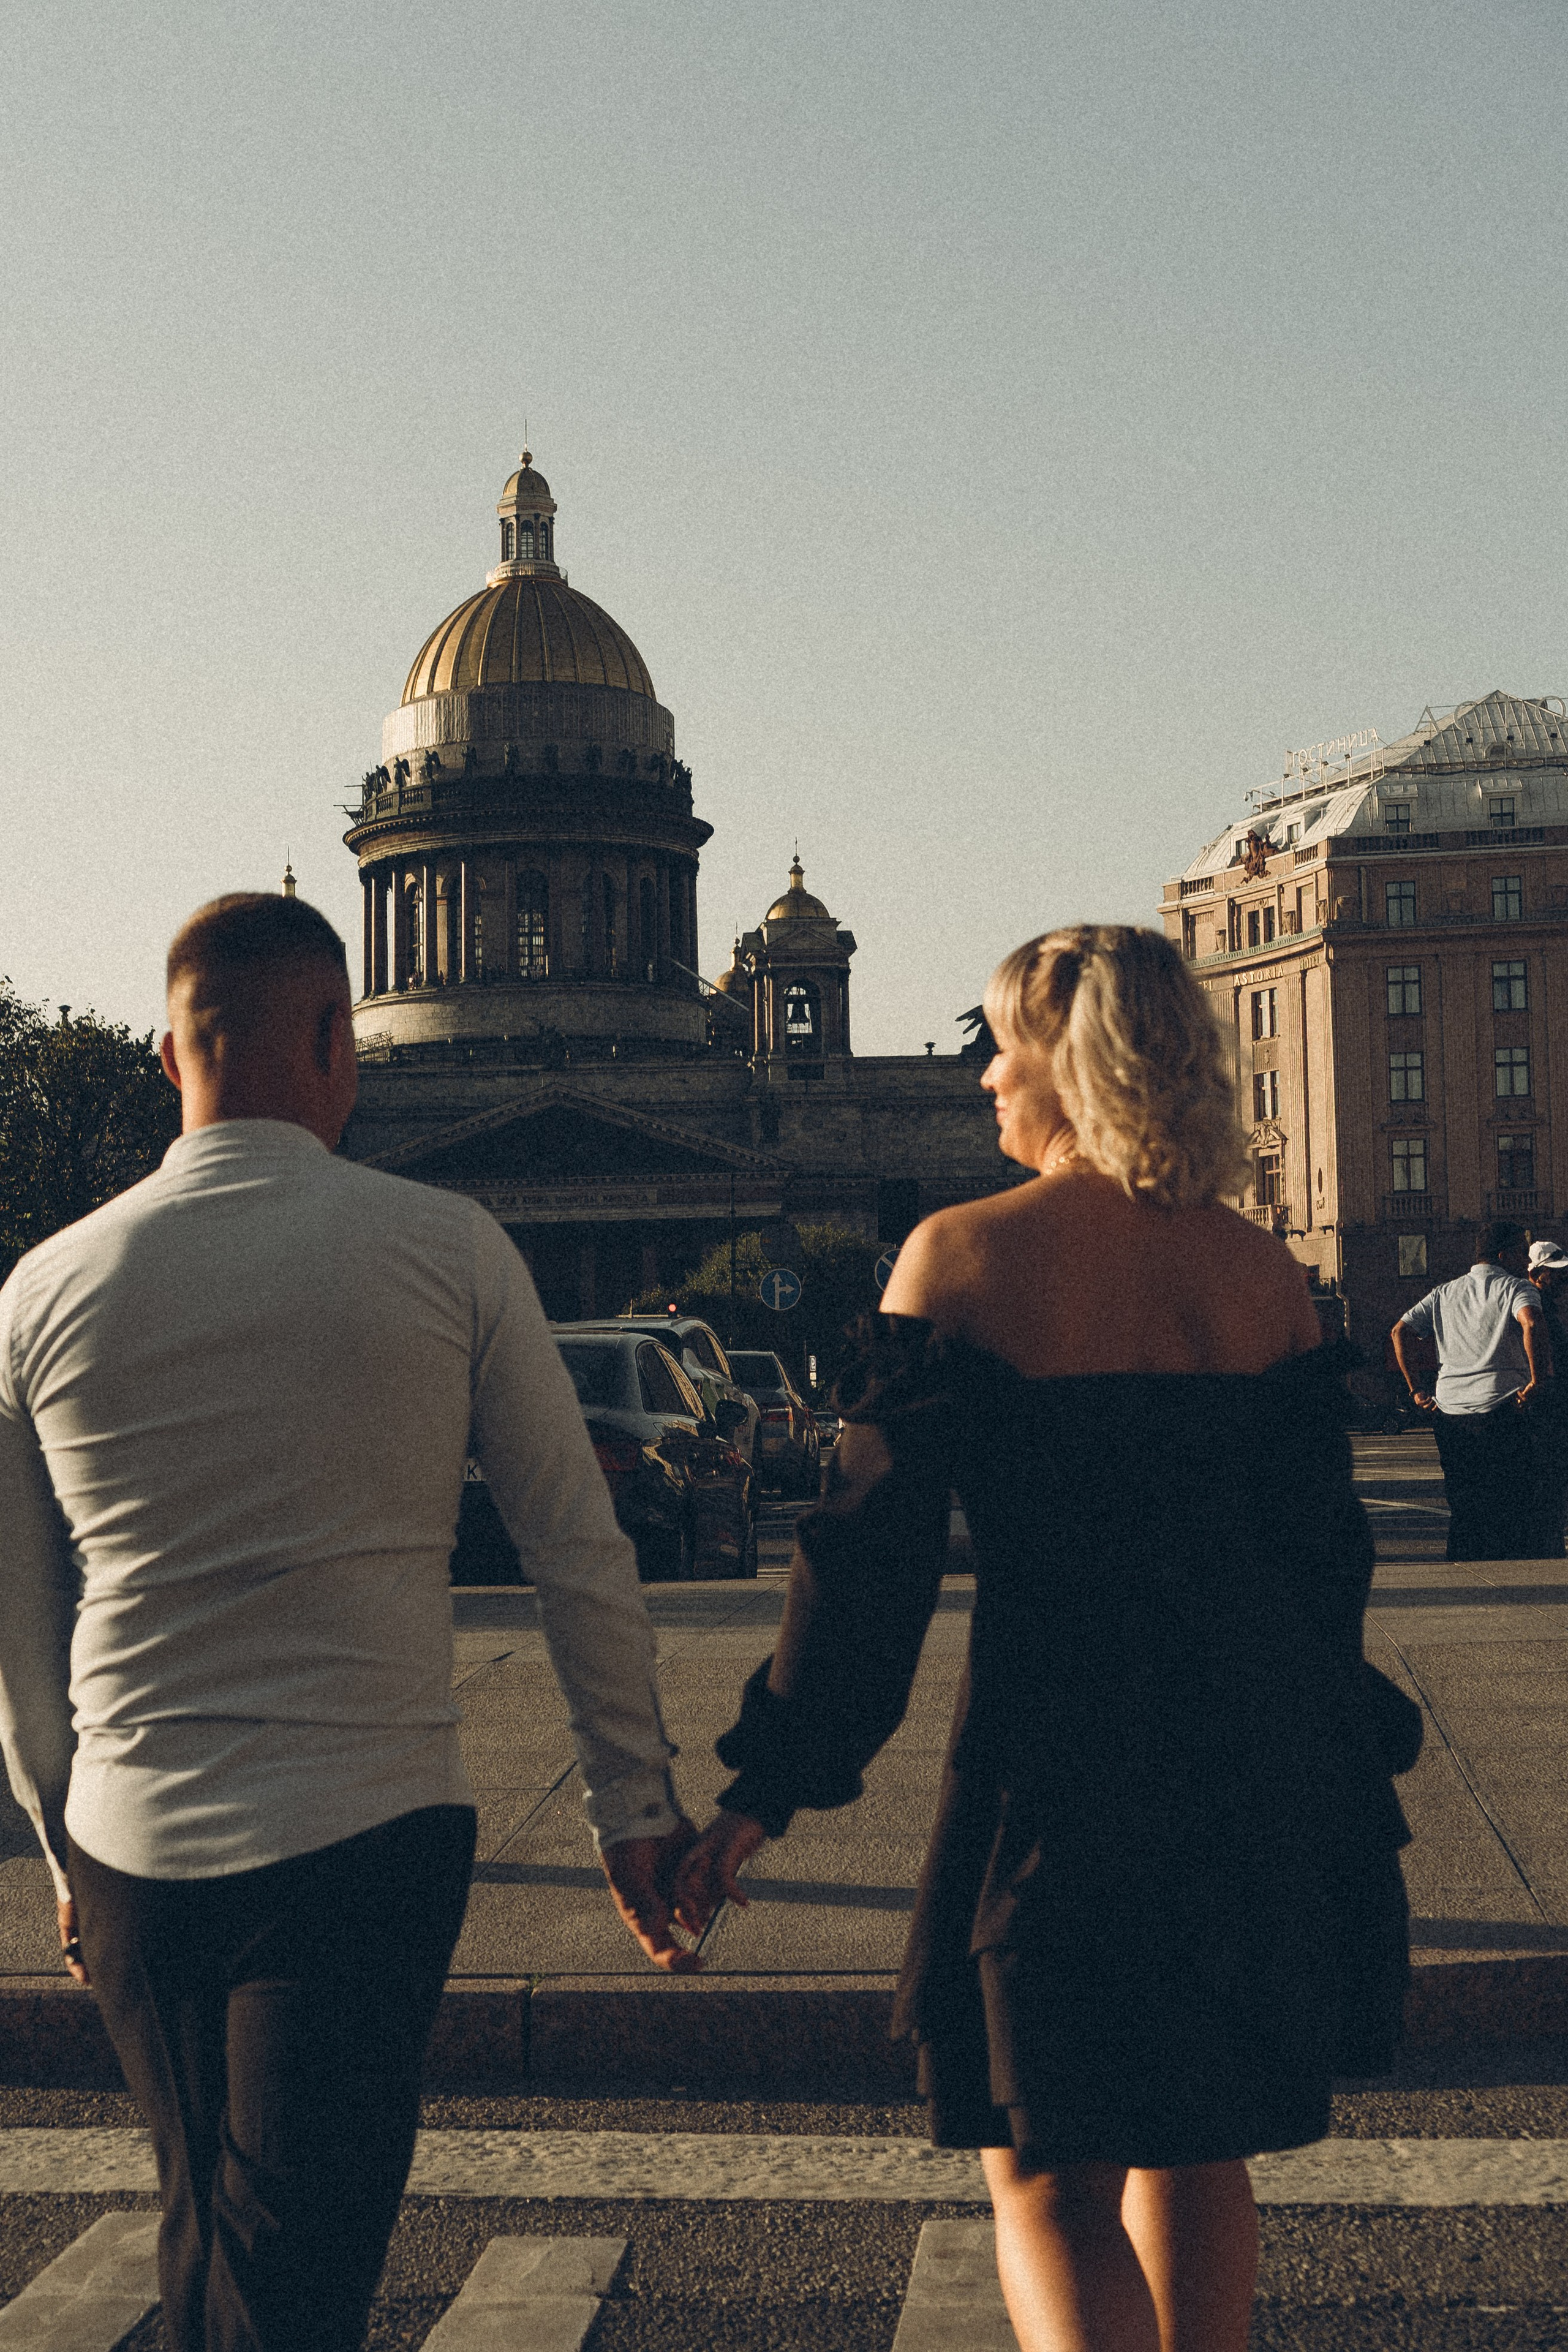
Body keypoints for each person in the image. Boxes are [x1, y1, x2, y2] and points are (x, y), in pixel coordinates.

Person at [674, 924, 1417, 2352]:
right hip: (1253, 1769)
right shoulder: (1261, 1277)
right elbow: (1325, 1566)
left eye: (1003, 1045)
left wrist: (766, 1786)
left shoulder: (958, 1256)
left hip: (1055, 1766)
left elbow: (862, 1571)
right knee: (1198, 2145)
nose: (983, 1080)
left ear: (1071, 1068)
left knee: (1042, 2164)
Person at [0, 894, 696, 2352]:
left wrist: (63, 1843)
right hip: (366, 1834)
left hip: (134, 1843)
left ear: (166, 1049)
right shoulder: (446, 1249)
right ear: (336, 1032)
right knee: (290, 2273)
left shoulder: (42, 1287)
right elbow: (577, 1550)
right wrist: (632, 1805)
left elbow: (21, 1622)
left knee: (212, 2234)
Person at [1390, 1223, 1550, 1561]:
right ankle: (1511, 1567)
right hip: (1502, 1407)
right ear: (1503, 1255)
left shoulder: (1443, 1293)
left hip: (1450, 1414)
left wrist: (1417, 1390)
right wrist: (1537, 1381)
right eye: (1522, 1252)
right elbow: (1532, 1323)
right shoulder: (1516, 1287)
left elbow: (1399, 1331)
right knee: (1511, 1496)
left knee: (1464, 1500)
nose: (1526, 1260)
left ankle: (1463, 1560)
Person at [1526, 1240, 1568, 1557]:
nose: (1560, 1279)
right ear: (1536, 1273)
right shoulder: (1531, 1302)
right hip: (1546, 1399)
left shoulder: (1549, 1303)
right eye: (1554, 1273)